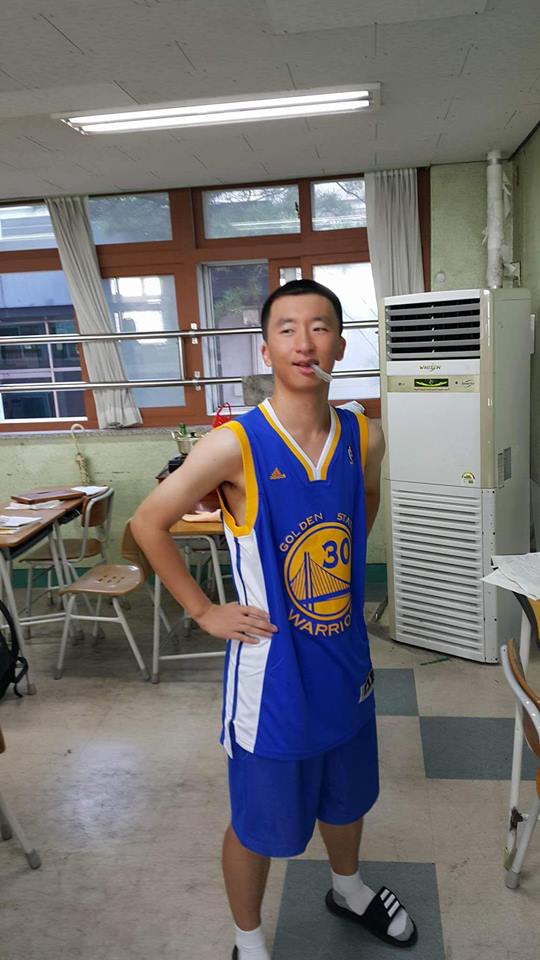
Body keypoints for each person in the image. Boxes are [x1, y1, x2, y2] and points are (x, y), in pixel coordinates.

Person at [132, 279, 417, 958]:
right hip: (274, 678)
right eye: (287, 328)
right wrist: (204, 610)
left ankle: (347, 889)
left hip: (345, 660)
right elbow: (147, 523)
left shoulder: (364, 435)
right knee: (258, 821)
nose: (304, 341)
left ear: (340, 346)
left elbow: (364, 497)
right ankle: (249, 940)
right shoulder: (235, 444)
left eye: (320, 327)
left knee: (347, 796)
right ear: (266, 350)